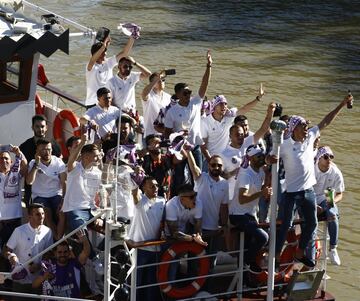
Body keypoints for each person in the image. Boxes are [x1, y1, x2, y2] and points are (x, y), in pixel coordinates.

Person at [274, 94, 353, 268]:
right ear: (294, 128)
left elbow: (326, 121)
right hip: (292, 193)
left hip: (308, 191)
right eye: (303, 126)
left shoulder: (310, 138)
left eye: (307, 126)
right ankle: (277, 255)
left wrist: (341, 104)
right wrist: (269, 160)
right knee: (285, 224)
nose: (307, 129)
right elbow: (271, 157)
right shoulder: (285, 145)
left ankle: (301, 251)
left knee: (312, 223)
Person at [229, 144, 272, 273]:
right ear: (251, 158)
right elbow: (242, 199)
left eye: (262, 156)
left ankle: (245, 273)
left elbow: (263, 186)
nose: (262, 158)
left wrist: (268, 178)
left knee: (248, 245)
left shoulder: (260, 172)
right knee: (263, 237)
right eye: (259, 156)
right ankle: (247, 262)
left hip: (250, 214)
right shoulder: (245, 174)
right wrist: (261, 193)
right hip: (238, 214)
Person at [61, 134, 102, 264]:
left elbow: (99, 194)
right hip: (74, 210)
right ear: (85, 156)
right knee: (84, 241)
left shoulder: (97, 173)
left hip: (91, 210)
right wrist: (83, 142)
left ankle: (103, 252)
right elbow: (71, 159)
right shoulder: (74, 168)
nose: (98, 158)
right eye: (95, 155)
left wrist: (99, 214)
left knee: (114, 227)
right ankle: (95, 260)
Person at [201, 84, 264, 162]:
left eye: (225, 104)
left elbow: (244, 109)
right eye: (220, 104)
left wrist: (258, 98)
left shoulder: (229, 117)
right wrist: (210, 160)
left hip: (226, 158)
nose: (224, 106)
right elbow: (203, 145)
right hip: (211, 159)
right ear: (214, 106)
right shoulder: (205, 122)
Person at [127, 176, 165, 301]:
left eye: (156, 185)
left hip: (155, 249)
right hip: (140, 250)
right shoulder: (140, 201)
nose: (155, 188)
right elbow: (134, 193)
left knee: (151, 284)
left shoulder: (162, 201)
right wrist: (135, 179)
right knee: (136, 283)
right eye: (152, 186)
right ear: (144, 188)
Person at [4, 203, 53, 299]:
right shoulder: (19, 231)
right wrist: (11, 257)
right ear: (30, 216)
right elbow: (6, 251)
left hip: (39, 280)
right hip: (20, 281)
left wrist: (39, 266)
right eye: (38, 214)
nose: (42, 217)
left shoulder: (48, 231)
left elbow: (49, 253)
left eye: (43, 214)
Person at [186, 151, 229, 253]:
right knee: (195, 261)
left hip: (213, 228)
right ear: (208, 166)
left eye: (219, 165)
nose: (216, 167)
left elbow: (224, 207)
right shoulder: (201, 178)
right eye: (213, 165)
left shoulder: (225, 183)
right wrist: (188, 151)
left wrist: (224, 225)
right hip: (196, 227)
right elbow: (194, 168)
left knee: (211, 260)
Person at [26, 139, 66, 239]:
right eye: (43, 150)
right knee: (46, 214)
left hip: (56, 194)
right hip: (40, 196)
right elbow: (29, 182)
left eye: (49, 149)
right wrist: (36, 164)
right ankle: (57, 240)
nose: (47, 152)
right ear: (37, 151)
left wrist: (64, 200)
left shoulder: (58, 161)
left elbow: (64, 182)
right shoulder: (32, 163)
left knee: (62, 212)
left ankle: (58, 239)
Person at [32, 230, 90, 298]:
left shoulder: (75, 264)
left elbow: (86, 253)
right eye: (60, 252)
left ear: (69, 253)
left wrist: (85, 240)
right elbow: (34, 285)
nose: (62, 254)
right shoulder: (49, 266)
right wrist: (44, 277)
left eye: (65, 252)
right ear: (55, 253)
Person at [20, 114, 61, 206]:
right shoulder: (24, 147)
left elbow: (59, 164)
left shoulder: (54, 145)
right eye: (37, 126)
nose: (40, 129)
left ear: (46, 127)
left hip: (53, 191)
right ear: (32, 127)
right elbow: (23, 170)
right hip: (32, 191)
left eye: (42, 126)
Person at [85, 32, 136, 107]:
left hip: (108, 102)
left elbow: (124, 53)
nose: (105, 53)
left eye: (105, 51)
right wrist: (103, 46)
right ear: (96, 54)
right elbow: (92, 59)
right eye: (103, 52)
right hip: (93, 104)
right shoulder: (90, 66)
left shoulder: (109, 62)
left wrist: (133, 37)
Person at [313, 146, 344, 265]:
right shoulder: (312, 169)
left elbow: (340, 194)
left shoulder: (335, 172)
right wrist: (313, 205)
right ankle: (312, 245)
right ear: (319, 158)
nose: (329, 160)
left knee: (332, 214)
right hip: (311, 194)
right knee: (311, 216)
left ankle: (332, 248)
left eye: (331, 157)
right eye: (326, 157)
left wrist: (331, 202)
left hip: (327, 194)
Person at [0, 146, 27, 250]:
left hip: (14, 221)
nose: (3, 160)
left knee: (14, 252)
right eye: (1, 158)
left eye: (6, 158)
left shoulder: (16, 174)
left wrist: (19, 153)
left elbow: (25, 167)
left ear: (11, 162)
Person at [141, 72, 172, 137]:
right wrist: (156, 80)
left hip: (164, 133)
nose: (161, 82)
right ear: (152, 83)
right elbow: (144, 94)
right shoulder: (149, 95)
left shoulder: (169, 97)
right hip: (150, 134)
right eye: (158, 80)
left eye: (163, 80)